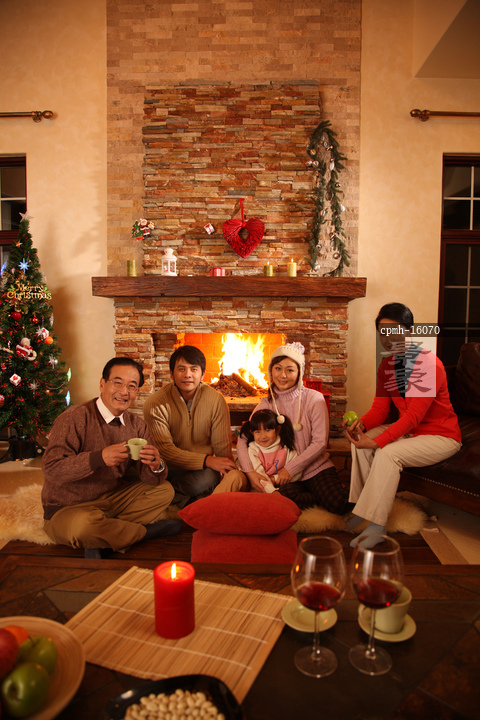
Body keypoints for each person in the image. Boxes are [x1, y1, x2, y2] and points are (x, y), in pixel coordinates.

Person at [344, 302, 462, 548]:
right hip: (411, 433)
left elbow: (413, 417)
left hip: (441, 436)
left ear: (410, 330)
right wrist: (361, 426)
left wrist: (377, 442)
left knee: (387, 453)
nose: (388, 338)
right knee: (359, 443)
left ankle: (378, 526)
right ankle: (361, 509)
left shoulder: (428, 365)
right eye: (383, 333)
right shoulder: (387, 366)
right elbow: (380, 410)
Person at [42, 357, 181, 559]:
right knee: (83, 527)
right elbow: (52, 468)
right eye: (117, 383)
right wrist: (98, 458)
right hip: (68, 507)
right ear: (102, 384)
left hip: (111, 498)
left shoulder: (137, 425)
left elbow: (151, 480)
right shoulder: (74, 418)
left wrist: (156, 465)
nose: (124, 392)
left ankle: (107, 535)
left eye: (132, 386)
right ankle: (142, 533)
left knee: (165, 490)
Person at [224, 342, 350, 514]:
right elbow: (243, 438)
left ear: (299, 373)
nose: (283, 375)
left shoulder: (314, 399)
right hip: (282, 475)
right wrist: (250, 472)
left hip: (313, 468)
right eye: (278, 368)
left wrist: (290, 469)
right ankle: (314, 497)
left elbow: (320, 442)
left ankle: (325, 495)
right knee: (277, 500)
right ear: (271, 371)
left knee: (338, 504)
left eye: (290, 370)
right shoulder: (266, 404)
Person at [143, 345, 236, 508]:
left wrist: (229, 474)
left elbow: (222, 447)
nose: (187, 375)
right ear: (171, 373)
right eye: (181, 369)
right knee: (144, 472)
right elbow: (166, 451)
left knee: (208, 479)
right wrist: (207, 460)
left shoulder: (216, 400)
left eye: (194, 369)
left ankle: (168, 495)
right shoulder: (155, 403)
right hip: (169, 466)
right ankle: (187, 499)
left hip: (201, 470)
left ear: (203, 374)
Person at [239, 408, 301, 493]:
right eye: (258, 432)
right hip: (259, 488)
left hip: (280, 486)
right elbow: (259, 476)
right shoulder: (253, 449)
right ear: (252, 433)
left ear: (277, 430)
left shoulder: (286, 448)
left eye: (267, 430)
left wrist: (274, 479)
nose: (263, 436)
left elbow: (297, 472)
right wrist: (273, 492)